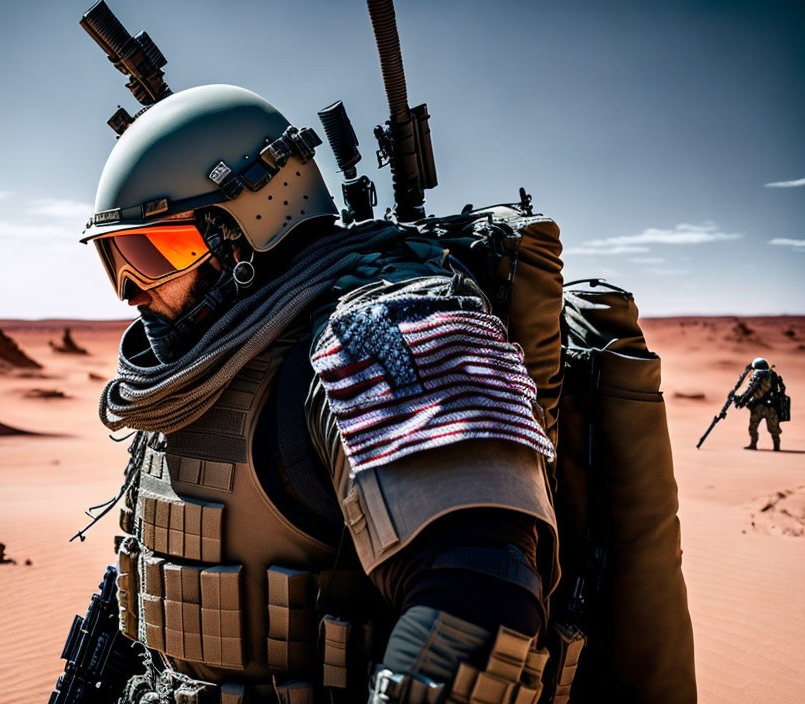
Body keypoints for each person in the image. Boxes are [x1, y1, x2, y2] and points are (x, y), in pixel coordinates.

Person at [72, 84, 563, 703]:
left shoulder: (377, 333)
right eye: (114, 259)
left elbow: (481, 597)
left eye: (151, 251)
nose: (131, 292)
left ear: (241, 229)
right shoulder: (198, 370)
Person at [735, 357, 786, 451]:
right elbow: (782, 390)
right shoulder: (773, 376)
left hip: (759, 406)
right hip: (771, 407)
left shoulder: (757, 377)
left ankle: (753, 444)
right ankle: (776, 446)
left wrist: (741, 401)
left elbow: (751, 391)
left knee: (753, 426)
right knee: (773, 428)